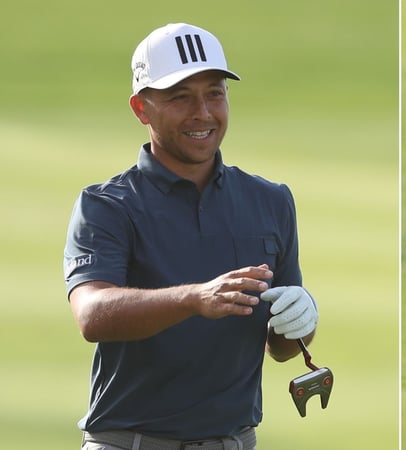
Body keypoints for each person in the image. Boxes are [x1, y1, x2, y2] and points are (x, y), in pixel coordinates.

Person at [63, 23, 319, 449]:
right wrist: (195, 299)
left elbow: (281, 346)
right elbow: (91, 315)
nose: (202, 113)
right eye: (180, 97)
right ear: (142, 109)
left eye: (214, 93)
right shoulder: (106, 205)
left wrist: (303, 320)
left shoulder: (270, 200)